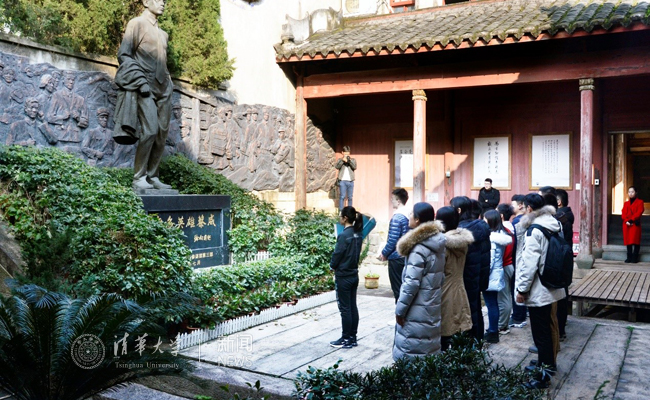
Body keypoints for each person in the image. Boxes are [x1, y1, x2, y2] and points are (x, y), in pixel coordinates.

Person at [113, 0, 174, 191]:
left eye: (164, 1)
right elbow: (124, 55)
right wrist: (140, 81)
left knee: (161, 135)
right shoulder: (137, 24)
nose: (162, 3)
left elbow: (162, 62)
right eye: (158, 0)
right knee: (150, 131)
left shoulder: (163, 34)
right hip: (145, 86)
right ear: (146, 2)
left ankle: (153, 176)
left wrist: (169, 83)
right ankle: (139, 177)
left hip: (164, 88)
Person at [514, 194, 566, 389]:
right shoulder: (554, 224)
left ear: (529, 208)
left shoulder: (534, 230)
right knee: (546, 330)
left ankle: (543, 376)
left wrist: (522, 289)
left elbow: (529, 264)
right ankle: (547, 365)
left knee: (541, 334)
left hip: (538, 288)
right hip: (552, 283)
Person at [393, 202, 446, 360]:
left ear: (417, 220)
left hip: (416, 307)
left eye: (411, 214)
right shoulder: (437, 242)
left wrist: (400, 310)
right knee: (427, 348)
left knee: (411, 351)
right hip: (431, 304)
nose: (409, 216)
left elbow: (411, 284)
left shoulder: (418, 248)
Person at [450, 196, 491, 341]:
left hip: (465, 277)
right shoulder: (481, 227)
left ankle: (469, 345)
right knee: (476, 309)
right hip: (479, 276)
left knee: (466, 311)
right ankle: (478, 341)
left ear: (458, 210)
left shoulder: (462, 232)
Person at [435, 206, 473, 351]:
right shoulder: (462, 240)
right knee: (459, 328)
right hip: (459, 287)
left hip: (445, 290)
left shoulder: (442, 244)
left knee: (445, 331)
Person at [329, 206, 364, 349]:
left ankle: (345, 338)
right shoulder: (358, 233)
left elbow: (338, 254)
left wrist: (332, 265)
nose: (339, 218)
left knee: (345, 309)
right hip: (354, 274)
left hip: (343, 275)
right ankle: (352, 337)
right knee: (352, 307)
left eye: (340, 216)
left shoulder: (344, 235)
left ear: (345, 218)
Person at [483, 209, 513, 343]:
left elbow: (489, 261)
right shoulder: (501, 235)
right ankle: (493, 330)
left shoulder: (492, 239)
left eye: (485, 219)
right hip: (497, 274)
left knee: (491, 304)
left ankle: (493, 332)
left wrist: (483, 275)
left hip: (490, 276)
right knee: (493, 303)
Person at [378, 188, 411, 302]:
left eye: (392, 199)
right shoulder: (409, 215)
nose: (391, 201)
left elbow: (393, 240)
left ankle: (400, 312)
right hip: (405, 255)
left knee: (398, 289)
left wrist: (384, 253)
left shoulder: (397, 217)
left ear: (398, 200)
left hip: (396, 257)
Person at [555, 189, 574, 341]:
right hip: (565, 259)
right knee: (563, 293)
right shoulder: (567, 215)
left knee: (559, 296)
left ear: (558, 202)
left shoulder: (560, 218)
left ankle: (559, 330)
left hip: (559, 260)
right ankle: (561, 327)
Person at [509, 194, 528, 329]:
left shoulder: (516, 222)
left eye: (513, 205)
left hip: (517, 258)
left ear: (521, 206)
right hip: (526, 258)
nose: (512, 207)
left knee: (516, 287)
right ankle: (523, 312)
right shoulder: (528, 220)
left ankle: (518, 317)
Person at [496, 204, 515, 334]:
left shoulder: (502, 232)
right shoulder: (509, 230)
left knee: (503, 298)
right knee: (506, 296)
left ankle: (502, 325)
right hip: (509, 265)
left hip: (504, 265)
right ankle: (504, 323)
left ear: (501, 216)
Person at [622, 186, 644, 263]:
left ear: (636, 193)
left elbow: (639, 212)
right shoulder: (626, 203)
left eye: (632, 192)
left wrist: (632, 220)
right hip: (627, 224)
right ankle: (629, 257)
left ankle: (635, 257)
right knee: (628, 241)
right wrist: (626, 221)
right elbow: (623, 213)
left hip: (635, 224)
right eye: (629, 192)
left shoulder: (640, 202)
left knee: (636, 241)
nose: (630, 193)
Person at [335, 146, 356, 210]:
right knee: (342, 196)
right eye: (345, 154)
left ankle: (350, 211)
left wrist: (349, 161)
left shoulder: (353, 160)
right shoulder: (340, 160)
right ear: (342, 153)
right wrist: (342, 161)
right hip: (342, 181)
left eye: (348, 153)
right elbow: (337, 167)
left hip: (350, 181)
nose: (346, 155)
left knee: (350, 197)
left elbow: (354, 167)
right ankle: (341, 211)